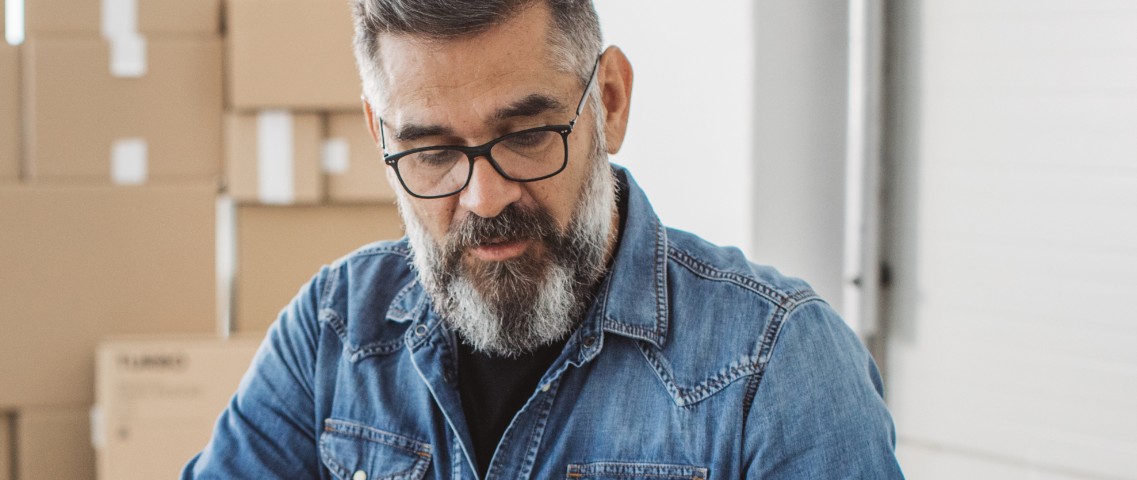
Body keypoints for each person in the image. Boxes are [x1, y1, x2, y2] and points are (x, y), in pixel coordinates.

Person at [184, 0, 902, 478]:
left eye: (526, 135)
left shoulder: (776, 367)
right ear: (381, 136)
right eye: (431, 152)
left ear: (610, 102)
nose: (483, 197)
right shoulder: (332, 332)